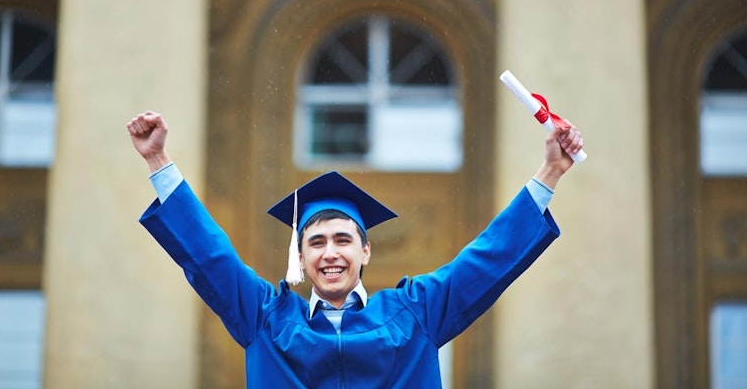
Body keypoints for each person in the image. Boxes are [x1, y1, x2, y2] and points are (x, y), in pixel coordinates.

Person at [127, 110, 583, 388]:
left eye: (343, 240)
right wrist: (157, 160)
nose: (330, 253)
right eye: (317, 243)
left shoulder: (415, 313)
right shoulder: (266, 319)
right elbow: (211, 256)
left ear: (365, 251)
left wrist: (550, 171)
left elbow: (487, 260)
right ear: (300, 258)